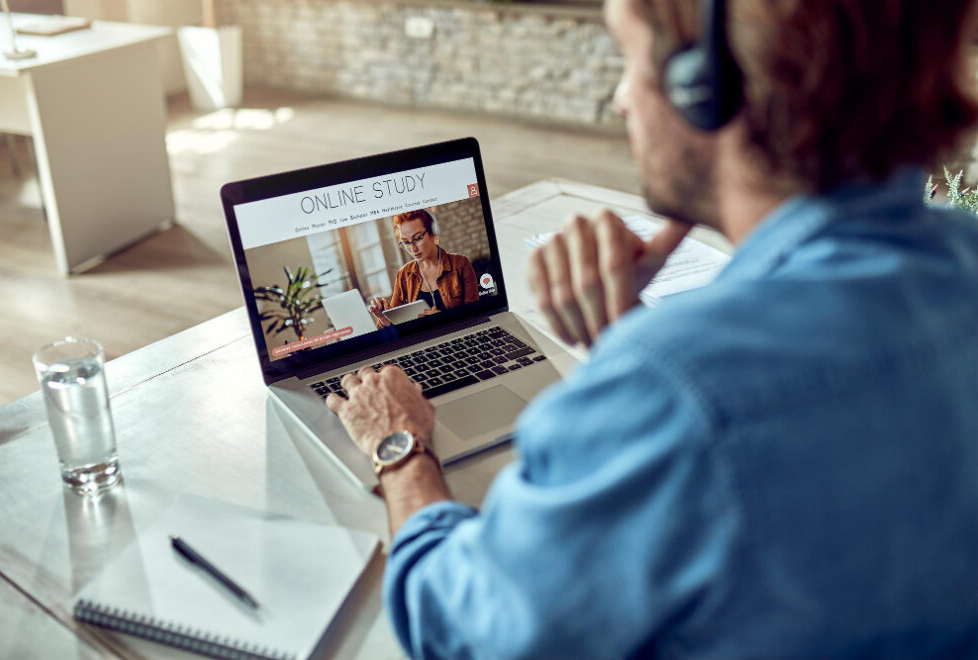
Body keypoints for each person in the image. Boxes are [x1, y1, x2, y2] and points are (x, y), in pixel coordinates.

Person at [326, 0, 978, 657]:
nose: (620, 100)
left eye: (630, 59)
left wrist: (401, 446)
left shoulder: (676, 389)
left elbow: (460, 627)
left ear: (707, 87)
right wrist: (631, 353)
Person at [369, 210, 479, 327]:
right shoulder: (404, 275)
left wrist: (443, 319)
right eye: (405, 242)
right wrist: (383, 317)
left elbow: (476, 315)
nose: (412, 248)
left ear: (433, 232)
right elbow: (396, 328)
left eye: (417, 238)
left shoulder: (460, 264)